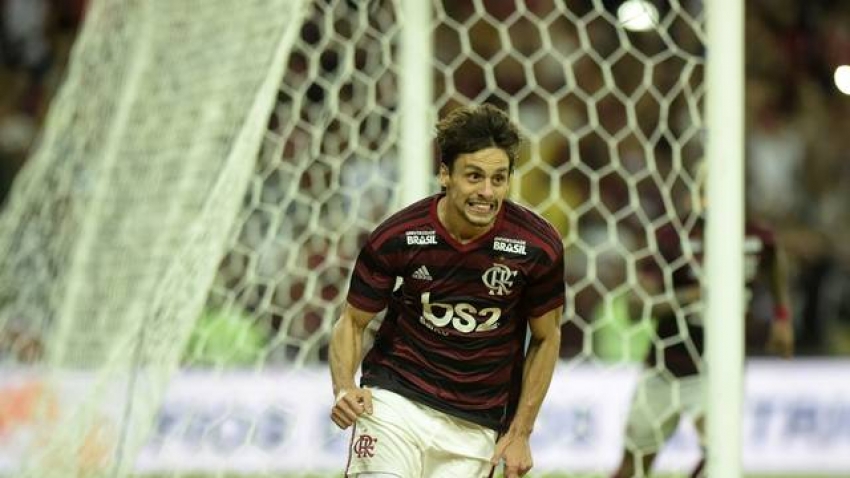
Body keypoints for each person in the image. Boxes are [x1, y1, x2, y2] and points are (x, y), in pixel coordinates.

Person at [328, 103, 565, 478]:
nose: (486, 192)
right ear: (444, 174)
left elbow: (546, 338)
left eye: (498, 179)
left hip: (476, 423)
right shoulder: (398, 236)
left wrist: (521, 432)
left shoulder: (537, 246)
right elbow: (352, 322)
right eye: (474, 176)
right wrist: (344, 387)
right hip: (395, 401)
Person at [611, 189, 795, 478]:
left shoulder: (755, 237)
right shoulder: (674, 238)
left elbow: (775, 260)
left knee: (719, 455)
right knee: (632, 467)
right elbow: (637, 307)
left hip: (719, 370)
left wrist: (782, 317)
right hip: (666, 368)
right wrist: (694, 295)